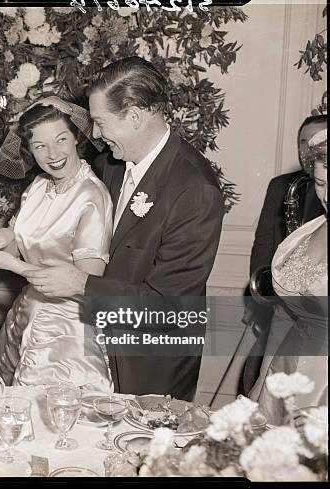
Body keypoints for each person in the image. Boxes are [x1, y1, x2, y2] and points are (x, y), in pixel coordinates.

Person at [24, 57, 225, 401]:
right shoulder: (112, 163)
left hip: (147, 364)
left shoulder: (195, 189)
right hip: (95, 351)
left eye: (100, 123)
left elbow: (167, 307)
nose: (97, 134)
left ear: (134, 116)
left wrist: (80, 283)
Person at [0, 96, 113, 392]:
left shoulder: (91, 196)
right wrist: (3, 240)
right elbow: (23, 240)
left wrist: (12, 264)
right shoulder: (39, 186)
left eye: (61, 139)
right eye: (40, 146)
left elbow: (87, 280)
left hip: (67, 328)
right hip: (27, 311)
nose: (52, 154)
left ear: (76, 137)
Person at [240, 114, 326, 396]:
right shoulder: (307, 233)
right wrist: (261, 385)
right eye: (321, 184)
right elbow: (285, 314)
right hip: (286, 366)